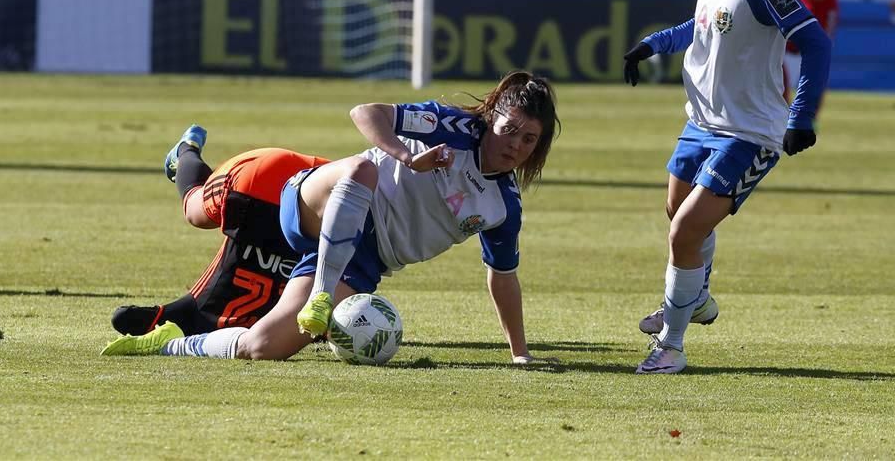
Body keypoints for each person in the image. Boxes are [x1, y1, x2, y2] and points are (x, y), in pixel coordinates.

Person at [102, 71, 561, 365]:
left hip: (361, 259)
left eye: (529, 139)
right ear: (492, 117)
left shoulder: (502, 208)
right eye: (510, 130)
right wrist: (406, 155)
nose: (515, 145)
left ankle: (165, 344)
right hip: (311, 197)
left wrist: (519, 354)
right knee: (199, 209)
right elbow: (366, 113)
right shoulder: (453, 127)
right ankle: (184, 156)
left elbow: (503, 277)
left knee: (264, 347)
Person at [622, 0, 832, 374]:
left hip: (749, 131)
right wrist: (654, 44)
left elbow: (816, 42)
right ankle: (696, 299)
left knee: (684, 234)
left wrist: (801, 117)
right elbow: (698, 30)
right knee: (677, 214)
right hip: (701, 121)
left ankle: (671, 345)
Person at [110, 125, 329, 336]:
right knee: (195, 209)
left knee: (195, 211)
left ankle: (187, 149)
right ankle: (186, 150)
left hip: (302, 181)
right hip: (269, 182)